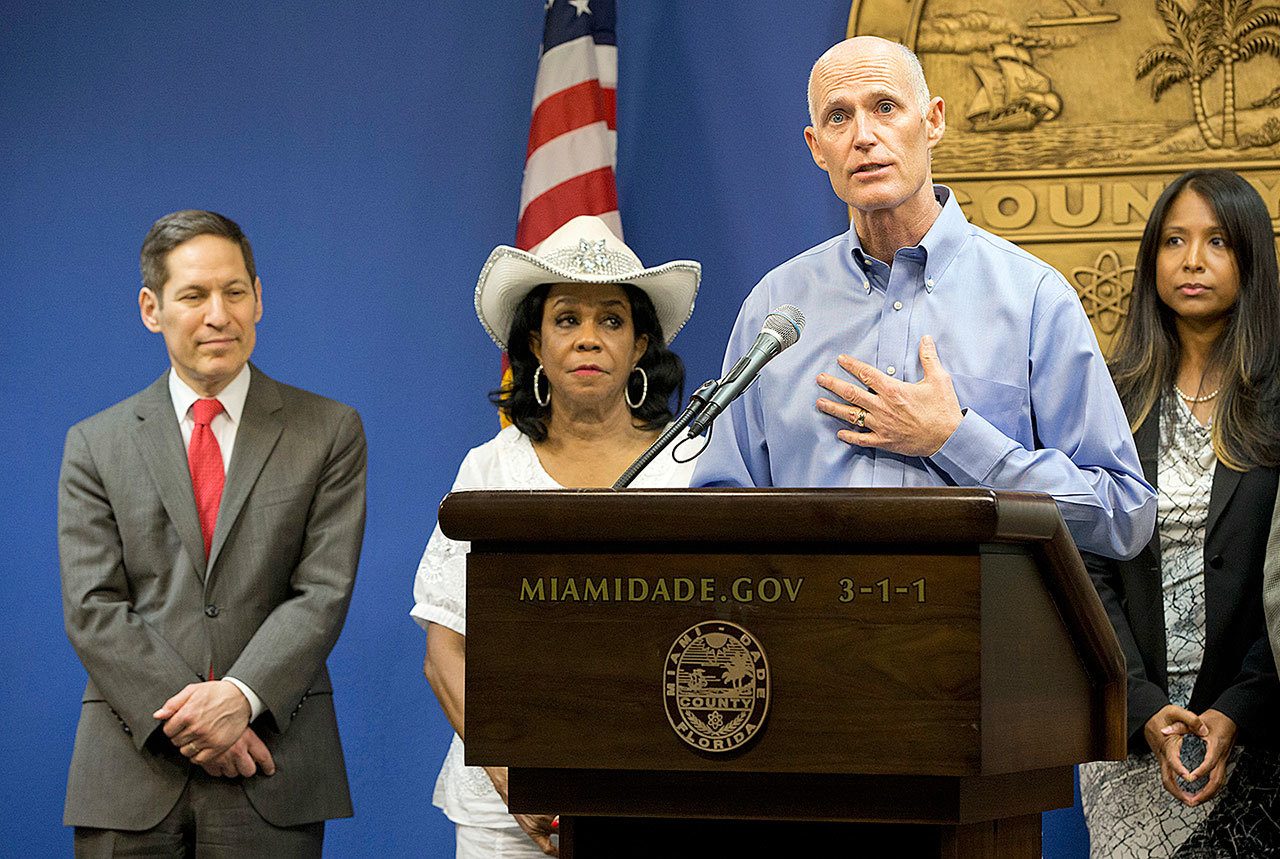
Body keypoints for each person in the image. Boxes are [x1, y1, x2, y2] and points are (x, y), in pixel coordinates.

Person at [689, 36, 1155, 560]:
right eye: (838, 117)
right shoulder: (775, 307)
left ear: (932, 122)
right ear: (817, 147)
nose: (863, 136)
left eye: (885, 107)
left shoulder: (1034, 298)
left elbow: (1123, 514)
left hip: (980, 632)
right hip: (816, 632)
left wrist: (953, 438)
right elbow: (717, 507)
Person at [59, 210, 366, 855]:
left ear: (260, 300)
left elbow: (323, 592)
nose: (218, 315)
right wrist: (202, 721)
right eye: (193, 295)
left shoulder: (330, 430)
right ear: (152, 308)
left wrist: (242, 699)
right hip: (131, 767)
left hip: (273, 764)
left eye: (234, 292)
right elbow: (93, 608)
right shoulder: (95, 443)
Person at [411, 215, 700, 857]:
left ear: (642, 343)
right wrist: (514, 781)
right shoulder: (489, 470)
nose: (589, 339)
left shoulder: (692, 468)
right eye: (567, 319)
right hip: (504, 813)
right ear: (535, 345)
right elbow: (444, 653)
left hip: (659, 794)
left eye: (612, 320)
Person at [1078, 169, 1280, 857]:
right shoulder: (1108, 395)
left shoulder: (1277, 398)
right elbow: (1087, 563)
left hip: (1262, 738)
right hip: (1132, 738)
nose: (1191, 259)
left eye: (1216, 241)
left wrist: (1239, 709)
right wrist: (1139, 704)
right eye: (1173, 240)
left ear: (1250, 257)